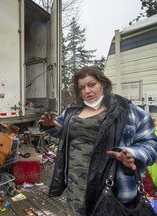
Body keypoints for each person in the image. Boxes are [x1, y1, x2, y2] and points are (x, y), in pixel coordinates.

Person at [39, 66, 157, 215]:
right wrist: (49, 126)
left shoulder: (126, 110)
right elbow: (63, 132)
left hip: (111, 189)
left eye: (91, 84)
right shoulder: (73, 109)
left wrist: (130, 153)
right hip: (76, 187)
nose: (86, 91)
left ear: (103, 84)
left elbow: (151, 144)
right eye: (81, 87)